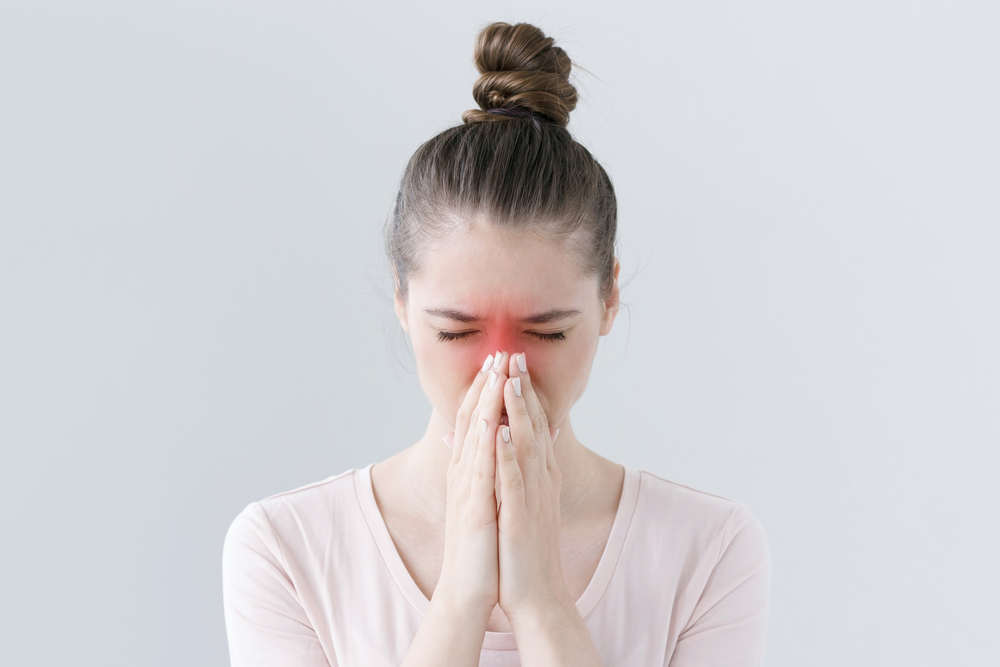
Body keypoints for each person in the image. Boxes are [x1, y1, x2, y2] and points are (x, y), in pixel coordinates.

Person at [222, 21, 771, 667]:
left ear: (609, 301)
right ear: (402, 299)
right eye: (457, 330)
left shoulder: (707, 549)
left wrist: (541, 602)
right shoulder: (287, 547)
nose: (501, 366)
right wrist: (460, 598)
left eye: (547, 331)